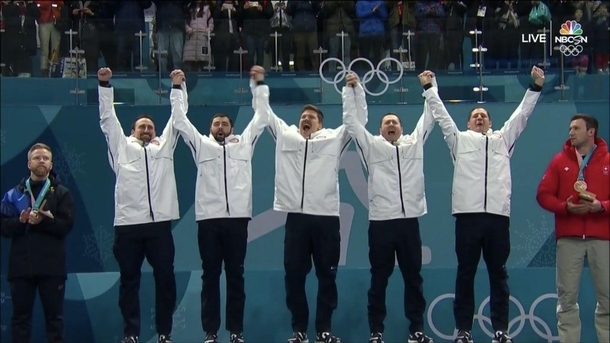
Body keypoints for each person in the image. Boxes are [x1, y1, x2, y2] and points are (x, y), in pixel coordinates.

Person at [433, 66, 546, 343]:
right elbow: (443, 117)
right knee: (466, 273)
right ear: (469, 124)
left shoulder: (502, 140)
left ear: (491, 123)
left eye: (484, 115)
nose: (480, 118)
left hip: (497, 217)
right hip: (468, 217)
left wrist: (535, 88)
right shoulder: (458, 140)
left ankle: (501, 330)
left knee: (499, 275)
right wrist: (429, 90)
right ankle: (463, 330)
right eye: (475, 116)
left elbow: (522, 116)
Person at [260, 70, 367, 343]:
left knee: (326, 277)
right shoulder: (287, 136)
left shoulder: (333, 139)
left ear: (320, 125)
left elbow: (357, 122)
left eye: (311, 118)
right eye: (302, 117)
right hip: (296, 218)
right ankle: (299, 331)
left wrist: (354, 91)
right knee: (294, 277)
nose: (305, 119)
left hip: (326, 219)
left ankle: (324, 331)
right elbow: (266, 115)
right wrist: (259, 84)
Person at [342, 71, 442, 343]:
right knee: (379, 281)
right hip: (381, 224)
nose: (391, 125)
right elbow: (351, 123)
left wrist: (430, 87)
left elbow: (430, 118)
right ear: (379, 130)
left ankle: (417, 331)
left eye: (395, 122)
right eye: (386, 122)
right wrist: (353, 90)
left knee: (414, 280)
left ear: (401, 128)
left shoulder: (414, 143)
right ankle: (376, 332)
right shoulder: (371, 147)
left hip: (409, 223)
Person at [170, 66, 268, 343]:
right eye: (216, 124)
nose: (221, 127)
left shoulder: (243, 144)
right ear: (210, 129)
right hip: (209, 220)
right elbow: (179, 120)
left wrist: (258, 84)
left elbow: (261, 118)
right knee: (210, 277)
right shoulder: (201, 145)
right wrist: (178, 88)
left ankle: (236, 332)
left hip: (237, 219)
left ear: (232, 129)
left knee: (236, 276)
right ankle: (210, 333)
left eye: (225, 123)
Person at [98, 67, 181, 343]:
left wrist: (178, 88)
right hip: (128, 226)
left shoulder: (164, 147)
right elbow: (108, 120)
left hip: (159, 227)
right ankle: (131, 334)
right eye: (141, 127)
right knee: (129, 283)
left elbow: (177, 120)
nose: (147, 130)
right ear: (132, 131)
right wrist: (104, 85)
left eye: (150, 127)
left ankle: (164, 333)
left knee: (165, 281)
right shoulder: (121, 147)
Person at [536, 114, 609, 343]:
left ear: (591, 132)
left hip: (602, 237)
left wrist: (602, 207)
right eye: (569, 128)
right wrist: (563, 207)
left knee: (608, 298)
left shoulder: (608, 161)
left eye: (576, 128)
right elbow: (543, 195)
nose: (571, 132)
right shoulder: (559, 161)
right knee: (566, 299)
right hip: (569, 238)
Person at [0, 143, 75, 343]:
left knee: (55, 319)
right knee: (20, 319)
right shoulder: (14, 195)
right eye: (37, 158)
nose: (41, 161)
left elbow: (66, 226)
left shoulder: (61, 193)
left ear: (51, 164)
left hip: (52, 268)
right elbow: (3, 227)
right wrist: (20, 221)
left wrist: (45, 221)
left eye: (45, 158)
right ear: (28, 163)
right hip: (21, 267)